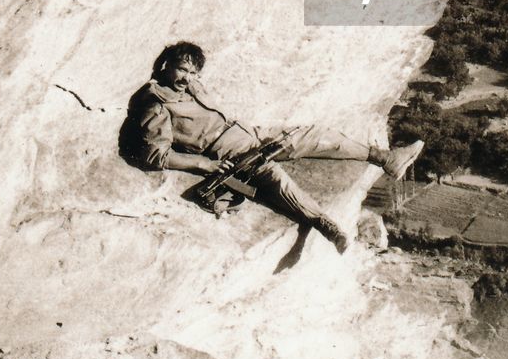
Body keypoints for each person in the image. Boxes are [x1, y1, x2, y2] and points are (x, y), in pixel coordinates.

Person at [121, 41, 423, 252]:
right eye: (182, 70)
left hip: (249, 133)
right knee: (280, 184)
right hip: (231, 152)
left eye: (193, 72)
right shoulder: (156, 101)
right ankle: (326, 226)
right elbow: (154, 155)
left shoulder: (190, 87)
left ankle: (384, 158)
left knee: (315, 134)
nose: (187, 78)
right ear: (166, 66)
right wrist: (205, 165)